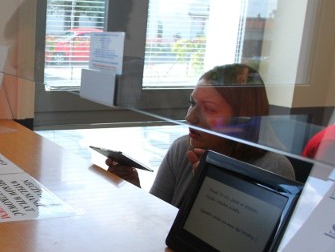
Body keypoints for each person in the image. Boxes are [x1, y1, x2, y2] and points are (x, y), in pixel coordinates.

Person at [107, 63, 295, 208]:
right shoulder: (183, 148)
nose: (189, 117)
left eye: (209, 109)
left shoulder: (273, 168)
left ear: (242, 120)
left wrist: (212, 186)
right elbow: (154, 221)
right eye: (192, 103)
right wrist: (133, 189)